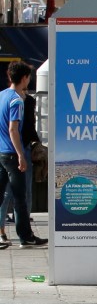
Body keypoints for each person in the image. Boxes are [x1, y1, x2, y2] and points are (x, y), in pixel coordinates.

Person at [0, 61, 46, 248]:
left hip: (1, 153)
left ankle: (16, 235)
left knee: (2, 195)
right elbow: (14, 129)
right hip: (12, 153)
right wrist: (20, 155)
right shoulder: (17, 100)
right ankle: (25, 237)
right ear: (25, 78)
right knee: (20, 198)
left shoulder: (2, 95)